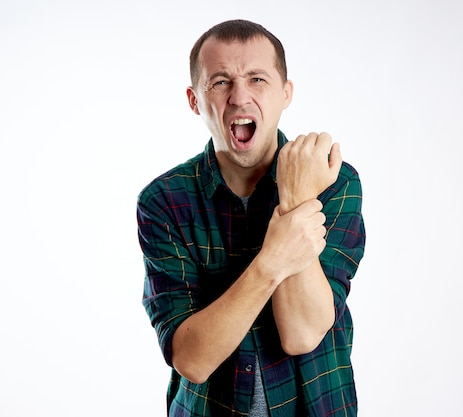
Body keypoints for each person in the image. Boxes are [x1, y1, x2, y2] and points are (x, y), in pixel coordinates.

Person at [137, 19, 365, 417]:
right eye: (220, 81)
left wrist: (295, 196)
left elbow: (303, 334)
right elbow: (192, 359)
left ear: (285, 93)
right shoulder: (163, 201)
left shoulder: (333, 181)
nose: (240, 97)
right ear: (195, 100)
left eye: (257, 79)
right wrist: (273, 259)